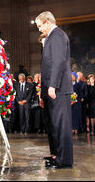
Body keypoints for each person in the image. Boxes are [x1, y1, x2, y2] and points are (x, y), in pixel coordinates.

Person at [35, 11, 73, 169]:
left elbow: (58, 62)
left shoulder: (57, 35)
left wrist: (53, 86)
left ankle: (64, 160)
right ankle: (56, 154)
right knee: (52, 124)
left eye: (40, 26)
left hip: (58, 88)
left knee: (61, 124)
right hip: (50, 89)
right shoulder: (50, 37)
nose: (39, 29)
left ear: (47, 22)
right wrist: (43, 91)